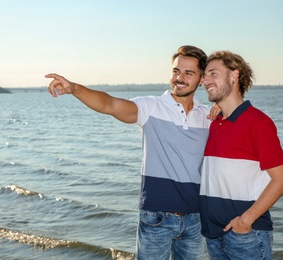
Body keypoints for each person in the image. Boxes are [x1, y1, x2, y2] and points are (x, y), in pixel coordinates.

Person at [46, 45, 212, 260]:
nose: (179, 78)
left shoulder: (208, 116)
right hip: (157, 217)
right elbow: (110, 104)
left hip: (196, 218)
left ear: (201, 79)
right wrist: (75, 88)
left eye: (188, 73)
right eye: (175, 71)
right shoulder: (151, 107)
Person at [200, 50, 283, 260]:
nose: (205, 80)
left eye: (213, 73)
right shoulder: (213, 122)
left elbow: (282, 179)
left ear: (234, 76)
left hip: (246, 234)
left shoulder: (258, 123)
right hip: (214, 234)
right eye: (205, 75)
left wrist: (246, 220)